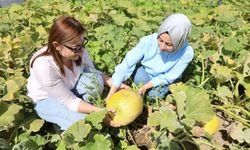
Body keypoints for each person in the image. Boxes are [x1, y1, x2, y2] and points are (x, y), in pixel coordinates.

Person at [27, 16, 127, 130]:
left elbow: (93, 72)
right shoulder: (44, 66)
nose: (81, 51)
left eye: (82, 44)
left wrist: (116, 84)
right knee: (82, 124)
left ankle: (67, 117)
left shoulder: (78, 49)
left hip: (70, 89)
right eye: (76, 48)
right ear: (57, 46)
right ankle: (60, 122)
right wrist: (99, 113)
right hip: (47, 99)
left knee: (96, 81)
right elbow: (69, 101)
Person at [107, 13, 194, 100]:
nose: (162, 46)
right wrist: (112, 91)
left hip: (166, 80)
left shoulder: (187, 52)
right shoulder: (148, 41)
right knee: (139, 78)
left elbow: (169, 76)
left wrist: (145, 87)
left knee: (154, 95)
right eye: (160, 40)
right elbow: (127, 64)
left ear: (179, 43)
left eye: (168, 44)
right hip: (146, 72)